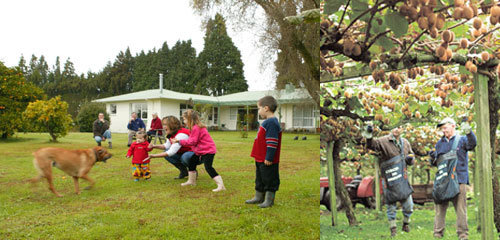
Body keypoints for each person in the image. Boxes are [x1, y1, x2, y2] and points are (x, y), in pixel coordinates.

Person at [363, 125, 415, 237]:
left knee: (409, 205)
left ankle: (406, 223)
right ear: (392, 129)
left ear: (403, 129)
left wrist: (411, 159)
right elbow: (371, 145)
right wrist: (368, 135)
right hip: (389, 178)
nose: (397, 129)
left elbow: (411, 157)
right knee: (391, 205)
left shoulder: (405, 142)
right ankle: (393, 229)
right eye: (395, 127)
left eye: (399, 127)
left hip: (402, 178)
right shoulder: (383, 141)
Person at [429, 117, 476, 239]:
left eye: (445, 127)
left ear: (453, 126)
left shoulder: (462, 140)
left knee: (461, 209)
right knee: (440, 209)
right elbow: (436, 163)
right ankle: (437, 234)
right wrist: (432, 158)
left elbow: (472, 144)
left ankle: (463, 235)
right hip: (443, 181)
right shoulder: (439, 144)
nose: (443, 130)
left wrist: (468, 130)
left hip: (459, 180)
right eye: (442, 129)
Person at [171, 109, 225, 192]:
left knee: (208, 167)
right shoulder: (194, 128)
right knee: (192, 162)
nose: (184, 121)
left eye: (184, 119)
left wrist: (179, 141)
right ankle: (191, 181)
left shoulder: (196, 128)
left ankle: (221, 186)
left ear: (190, 119)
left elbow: (193, 141)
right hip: (200, 151)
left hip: (208, 151)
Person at [245, 96, 282, 208]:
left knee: (269, 178)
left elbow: (272, 142)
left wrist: (269, 157)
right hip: (260, 157)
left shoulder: (271, 123)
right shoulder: (267, 122)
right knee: (260, 178)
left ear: (266, 108)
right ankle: (258, 196)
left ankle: (269, 200)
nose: (258, 111)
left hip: (267, 159)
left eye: (259, 108)